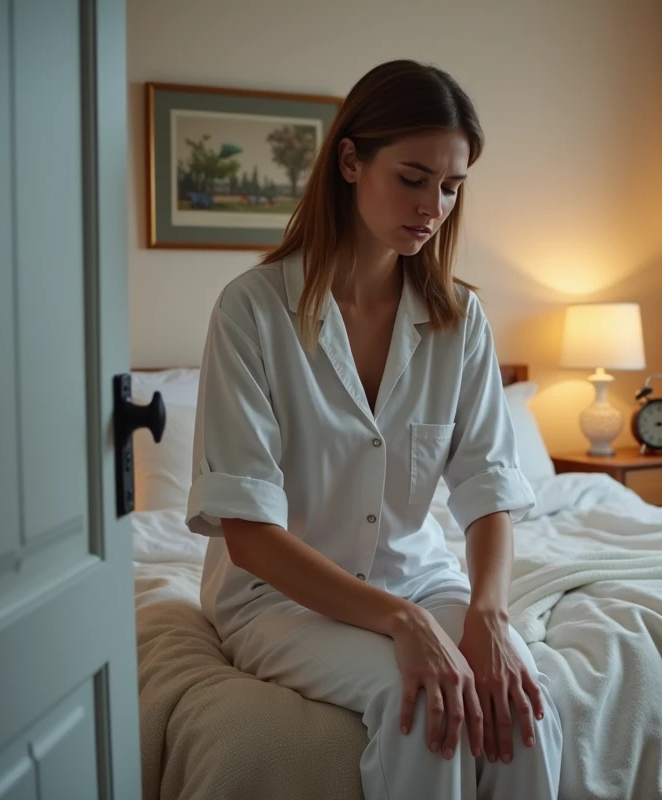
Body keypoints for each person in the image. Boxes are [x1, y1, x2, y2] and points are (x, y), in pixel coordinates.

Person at [184, 59, 563, 800]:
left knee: (519, 702)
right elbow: (250, 534)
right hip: (279, 598)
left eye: (452, 186)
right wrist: (402, 623)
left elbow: (488, 489)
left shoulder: (461, 320)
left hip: (418, 577)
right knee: (420, 702)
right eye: (414, 177)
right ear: (351, 161)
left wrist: (486, 612)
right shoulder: (252, 312)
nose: (434, 205)